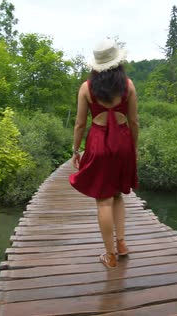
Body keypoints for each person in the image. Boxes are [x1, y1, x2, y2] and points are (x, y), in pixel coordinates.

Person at [69, 38, 139, 269]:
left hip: (98, 143)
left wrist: (76, 149)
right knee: (118, 194)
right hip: (123, 142)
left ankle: (110, 256)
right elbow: (134, 121)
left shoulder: (86, 88)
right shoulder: (128, 86)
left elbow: (80, 124)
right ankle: (121, 244)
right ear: (117, 62)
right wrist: (134, 148)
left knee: (104, 201)